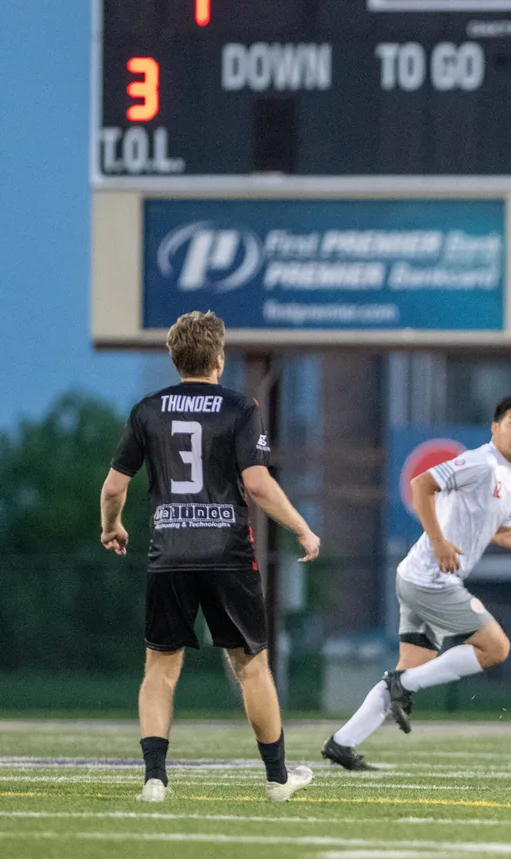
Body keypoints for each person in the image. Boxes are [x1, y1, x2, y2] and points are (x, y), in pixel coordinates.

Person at [99, 310, 318, 803]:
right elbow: (257, 484)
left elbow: (115, 487)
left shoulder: (147, 410)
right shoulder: (240, 408)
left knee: (160, 669)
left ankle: (155, 779)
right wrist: (302, 528)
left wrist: (111, 526)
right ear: (219, 358)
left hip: (169, 552)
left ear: (174, 358)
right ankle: (278, 779)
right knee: (250, 667)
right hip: (227, 553)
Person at [323, 393, 511, 770]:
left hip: (419, 577)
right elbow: (422, 484)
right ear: (495, 427)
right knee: (496, 647)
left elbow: (500, 531)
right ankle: (402, 685)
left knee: (412, 669)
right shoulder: (481, 462)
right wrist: (438, 543)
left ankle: (342, 743)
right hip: (430, 581)